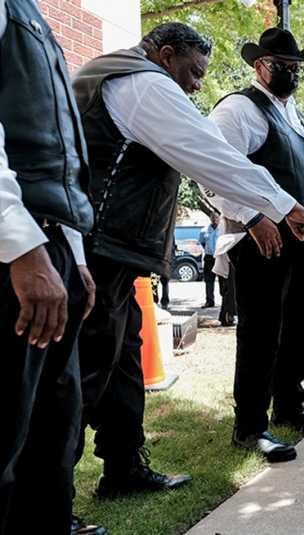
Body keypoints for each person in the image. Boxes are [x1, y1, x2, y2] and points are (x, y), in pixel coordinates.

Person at [71, 22, 304, 492]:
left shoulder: (124, 77)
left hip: (111, 248)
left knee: (124, 362)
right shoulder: (144, 83)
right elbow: (209, 155)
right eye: (194, 70)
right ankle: (45, 496)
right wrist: (281, 204)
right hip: (99, 245)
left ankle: (123, 467)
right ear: (166, 55)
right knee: (85, 371)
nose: (198, 83)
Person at [207, 27, 304, 462]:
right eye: (282, 66)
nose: (290, 74)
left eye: (295, 67)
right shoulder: (239, 109)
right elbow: (212, 173)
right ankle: (250, 426)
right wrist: (253, 217)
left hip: (300, 239)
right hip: (260, 239)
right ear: (260, 65)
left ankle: (289, 405)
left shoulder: (293, 111)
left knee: (301, 326)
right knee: (261, 333)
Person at [0, 1, 97, 532]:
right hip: (17, 251)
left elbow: (61, 157)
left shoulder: (31, 13)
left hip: (52, 243)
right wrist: (19, 244)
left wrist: (74, 256)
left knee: (52, 438)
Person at [198, 212, 220, 308]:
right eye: (212, 217)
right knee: (209, 281)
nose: (214, 219)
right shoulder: (204, 231)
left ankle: (226, 302)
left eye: (216, 217)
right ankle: (209, 301)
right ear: (210, 219)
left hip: (220, 257)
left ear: (219, 218)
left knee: (223, 281)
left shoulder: (222, 229)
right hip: (209, 257)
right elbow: (202, 243)